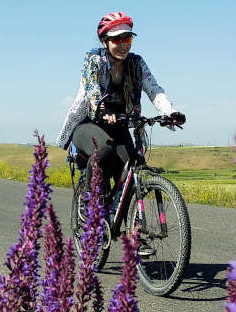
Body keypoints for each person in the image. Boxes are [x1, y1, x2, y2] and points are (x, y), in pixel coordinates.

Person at [55, 11, 186, 202]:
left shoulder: (137, 63)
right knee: (105, 150)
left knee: (129, 173)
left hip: (120, 126)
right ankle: (91, 203)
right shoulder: (93, 60)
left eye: (127, 39)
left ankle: (124, 223)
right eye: (117, 40)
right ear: (104, 42)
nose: (123, 45)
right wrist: (103, 109)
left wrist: (170, 111)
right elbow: (91, 90)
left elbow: (154, 90)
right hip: (88, 125)